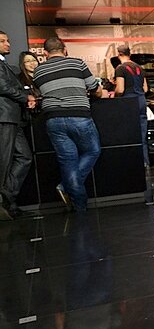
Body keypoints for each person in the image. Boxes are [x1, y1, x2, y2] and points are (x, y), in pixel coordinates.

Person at [32, 37, 103, 212]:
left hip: (53, 119)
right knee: (92, 151)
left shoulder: (38, 71)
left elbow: (39, 93)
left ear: (45, 53)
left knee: (68, 160)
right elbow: (95, 89)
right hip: (79, 116)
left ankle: (79, 206)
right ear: (64, 50)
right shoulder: (77, 63)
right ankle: (65, 187)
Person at [0, 32, 36, 220]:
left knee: (24, 157)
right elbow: (3, 87)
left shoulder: (4, 64)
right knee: (4, 162)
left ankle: (6, 199)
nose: (7, 44)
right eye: (2, 41)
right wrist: (25, 97)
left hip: (12, 117)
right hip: (4, 117)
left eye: (7, 40)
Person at [114, 44, 149, 167]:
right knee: (142, 134)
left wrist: (114, 95)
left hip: (128, 103)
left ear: (119, 54)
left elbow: (120, 89)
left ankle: (132, 164)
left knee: (128, 135)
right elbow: (145, 89)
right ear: (130, 54)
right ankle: (145, 162)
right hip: (141, 101)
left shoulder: (120, 68)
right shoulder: (140, 68)